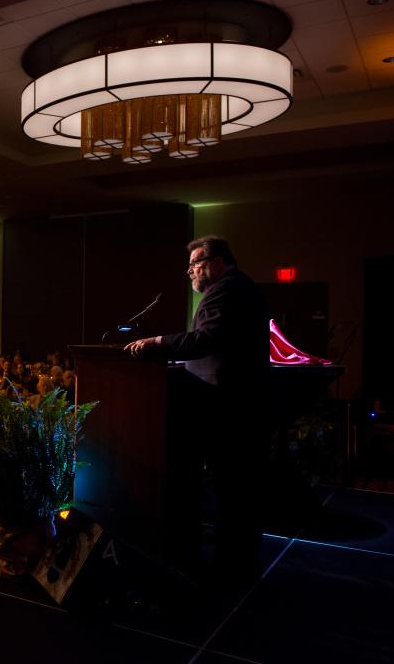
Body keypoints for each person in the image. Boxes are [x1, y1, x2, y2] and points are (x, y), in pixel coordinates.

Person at [124, 235, 270, 582]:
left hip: (228, 408)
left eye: (195, 263)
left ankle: (232, 571)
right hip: (235, 406)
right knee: (234, 491)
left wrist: (157, 342)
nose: (189, 271)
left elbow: (206, 340)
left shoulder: (226, 289)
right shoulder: (237, 287)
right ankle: (235, 566)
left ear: (217, 262)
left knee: (232, 491)